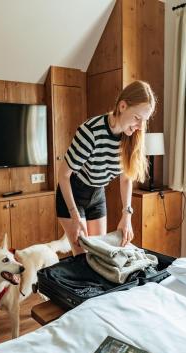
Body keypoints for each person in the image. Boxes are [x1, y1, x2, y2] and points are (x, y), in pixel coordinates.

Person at [56, 80, 156, 255]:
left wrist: (127, 215)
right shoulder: (91, 132)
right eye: (137, 118)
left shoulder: (131, 137)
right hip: (73, 194)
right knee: (83, 258)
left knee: (98, 255)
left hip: (97, 194)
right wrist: (75, 215)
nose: (140, 127)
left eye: (144, 121)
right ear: (123, 106)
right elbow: (63, 175)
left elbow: (126, 178)